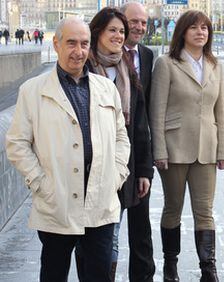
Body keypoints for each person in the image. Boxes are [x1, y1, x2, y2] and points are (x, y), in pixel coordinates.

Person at [5, 17, 131, 282]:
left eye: (84, 43)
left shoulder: (106, 88)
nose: (79, 51)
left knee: (98, 274)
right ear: (56, 44)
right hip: (56, 201)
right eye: (71, 43)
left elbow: (122, 137)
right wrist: (40, 182)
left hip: (100, 199)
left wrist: (117, 176)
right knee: (53, 272)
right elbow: (17, 143)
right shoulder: (33, 91)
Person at [150, 10, 224, 282]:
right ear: (182, 32)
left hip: (207, 149)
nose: (201, 32)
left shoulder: (215, 65)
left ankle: (208, 269)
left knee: (205, 211)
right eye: (194, 27)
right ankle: (170, 265)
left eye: (205, 28)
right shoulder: (167, 63)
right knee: (173, 207)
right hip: (174, 148)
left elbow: (222, 111)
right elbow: (157, 110)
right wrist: (158, 149)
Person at [73, 7, 153, 282]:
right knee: (85, 238)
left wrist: (143, 171)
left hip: (119, 169)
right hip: (84, 169)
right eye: (113, 30)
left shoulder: (128, 71)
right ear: (97, 33)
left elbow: (140, 127)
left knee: (111, 236)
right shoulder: (82, 69)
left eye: (122, 30)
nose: (119, 35)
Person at [119, 3, 156, 281]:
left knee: (141, 224)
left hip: (139, 150)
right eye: (134, 21)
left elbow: (145, 110)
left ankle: (143, 276)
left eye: (144, 23)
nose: (139, 27)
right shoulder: (100, 56)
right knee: (106, 228)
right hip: (109, 153)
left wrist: (146, 165)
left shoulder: (147, 55)